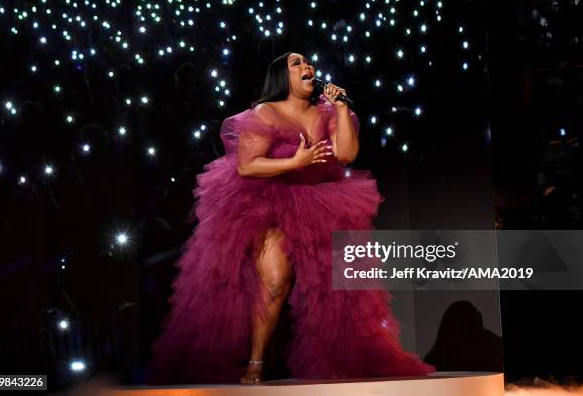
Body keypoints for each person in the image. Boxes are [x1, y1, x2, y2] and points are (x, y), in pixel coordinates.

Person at [146, 52, 435, 385]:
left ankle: (339, 357)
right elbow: (247, 165)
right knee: (274, 281)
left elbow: (345, 154)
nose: (307, 67)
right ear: (282, 76)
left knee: (337, 285)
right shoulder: (265, 113)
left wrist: (341, 108)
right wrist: (294, 163)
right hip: (267, 201)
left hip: (319, 203)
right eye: (296, 63)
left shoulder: (327, 112)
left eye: (308, 62)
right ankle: (255, 361)